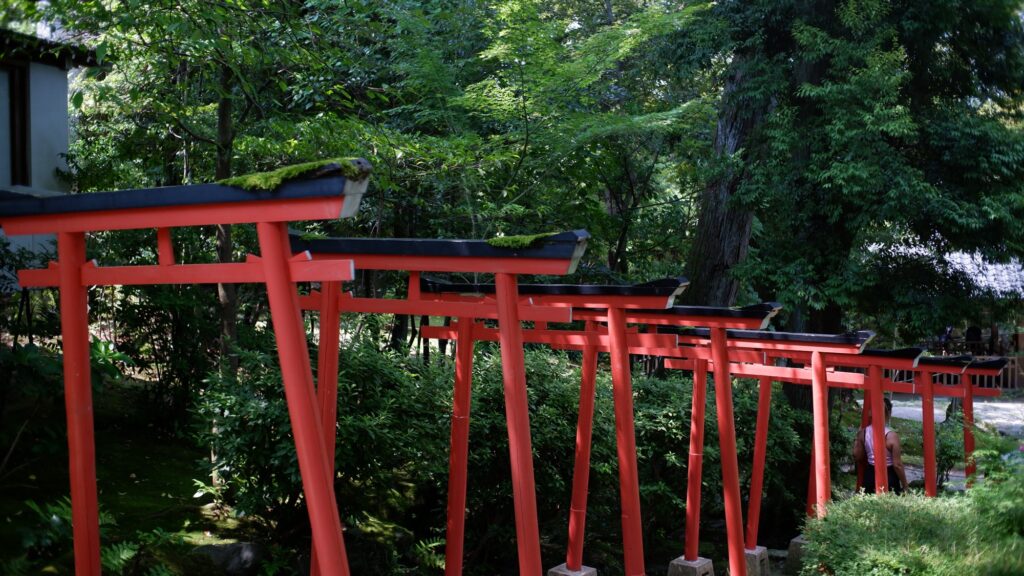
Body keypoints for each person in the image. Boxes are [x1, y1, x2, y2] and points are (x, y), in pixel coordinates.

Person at [853, 397, 908, 494]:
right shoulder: (891, 436)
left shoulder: (863, 433)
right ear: (889, 413)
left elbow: (857, 455)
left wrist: (857, 437)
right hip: (889, 475)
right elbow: (897, 465)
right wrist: (905, 485)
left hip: (870, 475)